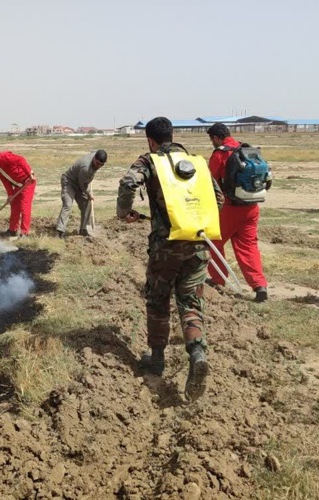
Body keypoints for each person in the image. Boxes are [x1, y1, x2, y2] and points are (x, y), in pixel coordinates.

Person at [117, 117, 224, 401]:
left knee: (158, 300)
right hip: (198, 246)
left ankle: (157, 359)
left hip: (165, 249)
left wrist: (123, 212)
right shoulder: (195, 163)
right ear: (173, 135)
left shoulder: (151, 162)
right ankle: (197, 353)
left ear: (151, 140)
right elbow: (219, 198)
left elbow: (129, 182)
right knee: (190, 303)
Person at [205, 123, 269, 302]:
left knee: (213, 243)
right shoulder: (246, 149)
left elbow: (211, 181)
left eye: (211, 139)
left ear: (217, 138)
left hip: (229, 209)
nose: (212, 143)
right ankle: (259, 285)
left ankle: (218, 279)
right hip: (251, 206)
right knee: (248, 247)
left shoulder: (220, 154)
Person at [0, 145, 36, 238]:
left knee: (24, 207)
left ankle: (24, 233)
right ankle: (12, 230)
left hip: (28, 181)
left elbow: (21, 159)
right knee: (14, 205)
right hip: (18, 185)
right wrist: (10, 194)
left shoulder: (4, 156)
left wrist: (30, 174)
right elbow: (4, 180)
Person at [55, 150, 106, 238]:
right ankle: (60, 231)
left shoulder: (96, 155)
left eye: (101, 165)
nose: (99, 166)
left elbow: (94, 150)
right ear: (94, 158)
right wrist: (89, 194)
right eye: (97, 163)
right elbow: (82, 185)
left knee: (87, 203)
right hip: (69, 181)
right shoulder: (85, 167)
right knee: (68, 204)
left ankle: (84, 229)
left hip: (80, 182)